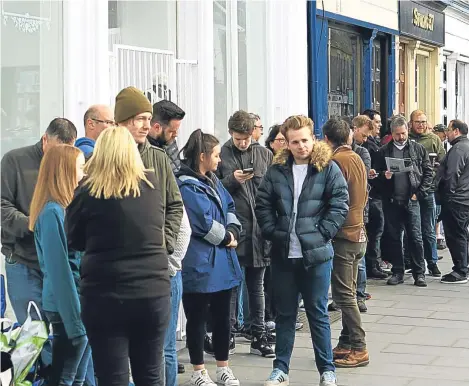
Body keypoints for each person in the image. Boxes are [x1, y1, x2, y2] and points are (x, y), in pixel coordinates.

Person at [66, 126, 171, 386]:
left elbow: (75, 240)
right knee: (150, 374)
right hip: (152, 292)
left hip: (104, 296)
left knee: (112, 378)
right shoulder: (152, 184)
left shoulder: (87, 190)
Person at [256, 115, 349, 386]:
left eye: (305, 140)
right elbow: (263, 204)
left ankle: (327, 370)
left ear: (313, 139)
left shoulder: (327, 168)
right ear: (286, 143)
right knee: (285, 314)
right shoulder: (277, 170)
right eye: (294, 142)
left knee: (317, 313)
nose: (301, 146)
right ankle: (280, 369)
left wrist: (322, 234)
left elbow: (340, 203)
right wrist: (274, 231)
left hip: (316, 255)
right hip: (284, 255)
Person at [1, 117, 77, 373]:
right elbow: (2, 207)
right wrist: (34, 224)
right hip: (22, 259)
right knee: (33, 335)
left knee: (63, 336)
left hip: (53, 261)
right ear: (45, 139)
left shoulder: (68, 165)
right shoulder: (14, 161)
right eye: (57, 151)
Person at [176, 129, 242, 386]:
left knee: (223, 318)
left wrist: (233, 230)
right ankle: (199, 370)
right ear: (202, 156)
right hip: (200, 263)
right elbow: (202, 222)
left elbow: (230, 207)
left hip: (221, 262)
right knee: (197, 319)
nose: (219, 160)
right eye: (215, 155)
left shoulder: (213, 181)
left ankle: (224, 368)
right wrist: (228, 238)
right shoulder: (187, 185)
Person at [29, 144, 91, 385]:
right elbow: (60, 272)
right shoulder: (52, 212)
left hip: (74, 303)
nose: (83, 174)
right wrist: (76, 324)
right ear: (64, 171)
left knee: (75, 377)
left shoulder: (62, 209)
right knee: (64, 378)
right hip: (66, 307)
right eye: (80, 168)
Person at [217, 110, 274, 358]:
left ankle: (258, 335)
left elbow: (273, 191)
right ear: (231, 133)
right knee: (231, 286)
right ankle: (227, 333)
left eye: (246, 138)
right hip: (235, 229)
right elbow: (214, 189)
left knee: (257, 286)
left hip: (260, 231)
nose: (243, 142)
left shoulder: (264, 155)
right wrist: (232, 180)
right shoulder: (222, 154)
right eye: (238, 138)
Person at [114, 86, 183, 257]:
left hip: (153, 259)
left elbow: (175, 204)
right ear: (122, 121)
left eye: (149, 119)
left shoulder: (159, 157)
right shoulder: (102, 159)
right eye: (140, 119)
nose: (147, 126)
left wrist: (165, 243)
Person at [324, 118, 369, 368]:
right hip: (358, 231)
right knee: (348, 291)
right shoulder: (355, 157)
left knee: (344, 294)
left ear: (327, 139)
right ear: (349, 137)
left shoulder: (337, 162)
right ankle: (346, 341)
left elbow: (335, 199)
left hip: (345, 235)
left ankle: (359, 347)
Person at [374, 115, 432, 287]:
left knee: (415, 237)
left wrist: (418, 194)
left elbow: (428, 173)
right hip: (392, 201)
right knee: (393, 237)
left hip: (411, 199)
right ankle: (397, 271)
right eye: (398, 134)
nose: (401, 137)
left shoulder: (418, 149)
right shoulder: (383, 151)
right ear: (392, 133)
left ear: (407, 130)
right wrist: (384, 176)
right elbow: (375, 177)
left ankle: (419, 273)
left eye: (404, 133)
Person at [408, 109, 445, 277]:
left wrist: (436, 184)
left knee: (428, 229)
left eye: (424, 122)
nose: (421, 125)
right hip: (409, 192)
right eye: (418, 122)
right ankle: (411, 262)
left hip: (428, 191)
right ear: (411, 123)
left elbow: (443, 164)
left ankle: (432, 262)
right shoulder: (406, 139)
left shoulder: (434, 140)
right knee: (410, 229)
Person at [436, 119, 469, 284]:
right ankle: (464, 266)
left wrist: (447, 196)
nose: (446, 133)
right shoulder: (465, 146)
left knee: (456, 235)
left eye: (448, 130)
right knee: (461, 233)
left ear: (456, 131)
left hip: (457, 200)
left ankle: (460, 270)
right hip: (464, 198)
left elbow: (453, 174)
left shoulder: (458, 149)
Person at [149, 100, 186, 172]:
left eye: (177, 130)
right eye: (172, 131)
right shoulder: (145, 154)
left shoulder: (167, 141)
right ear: (157, 127)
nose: (176, 135)